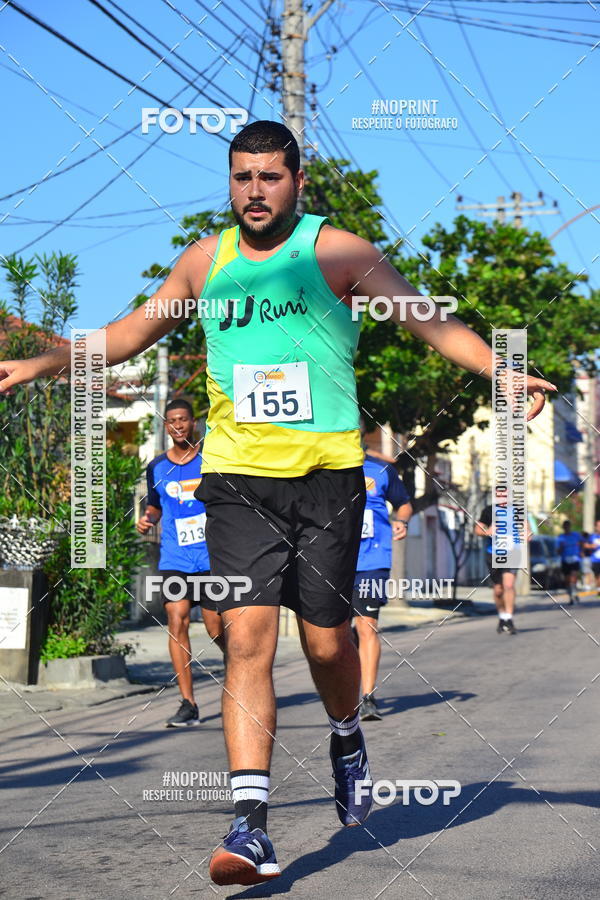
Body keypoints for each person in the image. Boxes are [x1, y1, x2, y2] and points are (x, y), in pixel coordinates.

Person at [0, 121, 555, 887]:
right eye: (240, 177)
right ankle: (251, 827)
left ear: (298, 179)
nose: (253, 191)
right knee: (248, 641)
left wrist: (504, 368)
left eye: (269, 177)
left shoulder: (340, 253)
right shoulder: (204, 262)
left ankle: (348, 735)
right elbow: (129, 333)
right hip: (235, 483)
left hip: (327, 481)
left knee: (328, 647)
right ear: (228, 182)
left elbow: (429, 320)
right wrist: (44, 361)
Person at [136, 399, 224, 726]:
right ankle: (188, 703)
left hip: (211, 556)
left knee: (216, 627)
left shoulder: (210, 459)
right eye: (171, 421)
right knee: (177, 620)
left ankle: (242, 672)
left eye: (183, 419)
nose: (177, 425)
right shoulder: (157, 467)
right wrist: (147, 518)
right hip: (175, 557)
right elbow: (155, 505)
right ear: (166, 426)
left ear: (193, 423)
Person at [352, 447, 412, 721]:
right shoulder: (319, 465)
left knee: (367, 627)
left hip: (373, 560)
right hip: (331, 560)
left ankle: (367, 697)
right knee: (336, 634)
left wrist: (401, 521)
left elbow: (404, 503)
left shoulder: (381, 470)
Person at [474, 493, 532, 634]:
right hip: (494, 554)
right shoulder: (488, 511)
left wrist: (527, 534)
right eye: (499, 495)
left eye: (504, 495)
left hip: (513, 553)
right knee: (498, 589)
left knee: (509, 585)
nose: (502, 498)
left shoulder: (518, 510)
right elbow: (477, 530)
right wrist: (487, 531)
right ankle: (502, 616)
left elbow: (527, 530)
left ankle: (509, 619)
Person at [556, 520, 583, 605]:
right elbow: (558, 550)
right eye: (565, 526)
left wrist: (581, 551)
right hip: (565, 559)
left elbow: (582, 542)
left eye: (568, 526)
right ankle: (571, 595)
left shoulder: (576, 535)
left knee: (573, 576)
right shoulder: (560, 537)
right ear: (563, 527)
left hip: (575, 558)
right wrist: (561, 548)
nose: (567, 528)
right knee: (567, 579)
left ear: (570, 527)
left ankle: (574, 592)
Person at [583, 520, 600, 594]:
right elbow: (585, 545)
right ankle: (598, 588)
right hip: (595, 560)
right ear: (596, 527)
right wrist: (591, 546)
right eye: (598, 526)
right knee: (597, 575)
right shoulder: (592, 536)